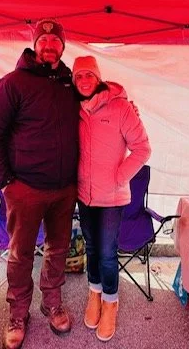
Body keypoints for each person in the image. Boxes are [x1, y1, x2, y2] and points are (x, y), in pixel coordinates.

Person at [0, 19, 79, 349]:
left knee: (58, 250)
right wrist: (5, 183)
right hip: (25, 189)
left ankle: (52, 304)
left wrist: (117, 95)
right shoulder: (12, 84)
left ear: (63, 47)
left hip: (64, 189)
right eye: (44, 40)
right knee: (20, 255)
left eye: (55, 40)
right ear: (34, 45)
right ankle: (18, 313)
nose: (50, 45)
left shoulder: (69, 83)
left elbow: (95, 101)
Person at [72, 55, 151, 342]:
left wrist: (120, 176)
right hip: (85, 194)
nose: (83, 81)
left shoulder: (120, 107)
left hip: (112, 197)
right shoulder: (74, 109)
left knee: (107, 253)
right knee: (91, 249)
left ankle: (110, 302)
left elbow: (142, 148)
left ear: (98, 78)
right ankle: (94, 295)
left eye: (88, 75)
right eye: (78, 76)